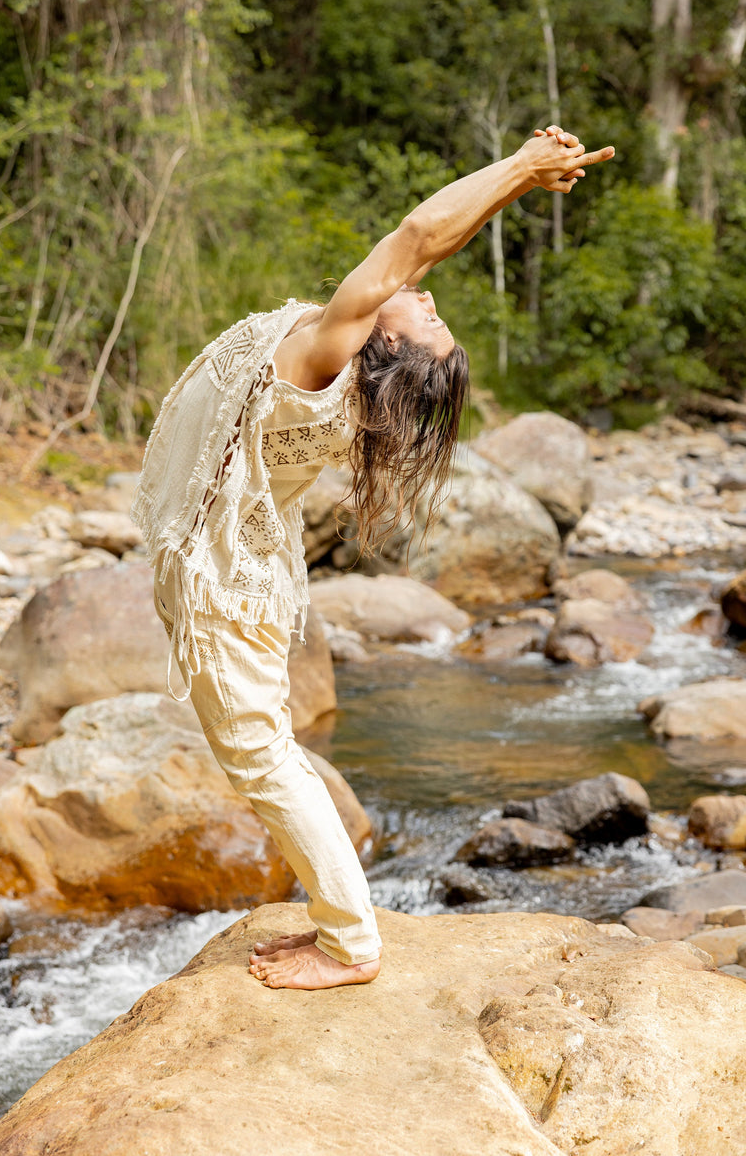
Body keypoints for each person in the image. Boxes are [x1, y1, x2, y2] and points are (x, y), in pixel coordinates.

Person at [131, 124, 615, 991]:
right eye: (425, 303)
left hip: (224, 582)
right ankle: (345, 925)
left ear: (380, 345)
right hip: (240, 564)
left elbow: (415, 239)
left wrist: (521, 165)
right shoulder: (341, 350)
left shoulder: (324, 356)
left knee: (263, 758)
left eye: (428, 319)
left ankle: (351, 943)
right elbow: (428, 246)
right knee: (266, 752)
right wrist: (518, 184)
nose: (426, 299)